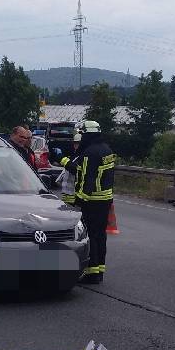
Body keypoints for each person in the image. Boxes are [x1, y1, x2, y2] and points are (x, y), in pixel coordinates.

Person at [68, 121, 115, 284]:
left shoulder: (89, 153)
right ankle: (100, 269)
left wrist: (79, 199)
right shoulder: (106, 149)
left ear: (86, 134)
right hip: (105, 199)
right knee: (101, 235)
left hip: (92, 200)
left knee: (91, 236)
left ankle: (92, 273)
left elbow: (87, 178)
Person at [56, 134, 81, 206]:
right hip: (67, 196)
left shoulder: (82, 156)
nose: (75, 145)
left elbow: (74, 169)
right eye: (75, 143)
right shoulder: (74, 156)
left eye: (77, 143)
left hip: (74, 197)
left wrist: (63, 160)